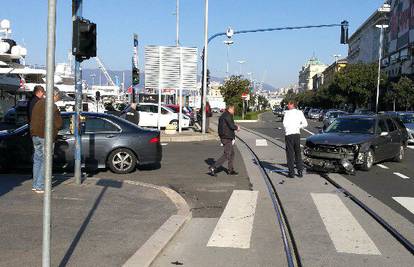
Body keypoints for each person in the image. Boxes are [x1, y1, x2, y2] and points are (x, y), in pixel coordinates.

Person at [30, 88, 63, 193]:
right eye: (58, 96)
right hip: (45, 136)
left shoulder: (38, 103)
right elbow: (59, 124)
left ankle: (35, 184)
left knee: (38, 159)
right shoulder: (52, 106)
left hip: (35, 134)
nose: (58, 98)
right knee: (46, 161)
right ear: (55, 95)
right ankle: (40, 186)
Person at [209, 103, 240, 176]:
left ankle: (230, 170)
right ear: (230, 109)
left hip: (225, 136)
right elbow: (231, 125)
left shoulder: (224, 115)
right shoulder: (228, 115)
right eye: (233, 109)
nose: (234, 111)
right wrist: (237, 128)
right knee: (227, 154)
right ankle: (213, 167)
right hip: (226, 137)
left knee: (232, 153)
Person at [283, 100, 308, 178]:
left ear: (292, 105)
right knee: (298, 153)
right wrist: (298, 127)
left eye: (289, 104)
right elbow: (305, 124)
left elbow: (284, 124)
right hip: (297, 134)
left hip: (289, 134)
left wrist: (287, 128)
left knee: (290, 154)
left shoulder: (287, 113)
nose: (287, 105)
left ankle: (291, 173)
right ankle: (300, 171)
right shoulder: (300, 112)